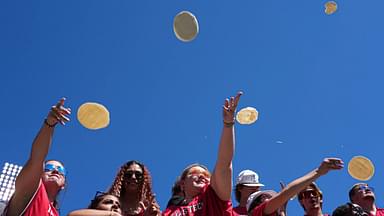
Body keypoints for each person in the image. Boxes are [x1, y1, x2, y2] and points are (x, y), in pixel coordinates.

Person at [163, 91, 243, 216]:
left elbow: (224, 163)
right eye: (194, 173)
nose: (202, 176)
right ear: (182, 184)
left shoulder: (213, 196)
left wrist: (228, 124)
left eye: (206, 175)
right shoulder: (169, 212)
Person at [2, 98, 70, 216]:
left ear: (64, 184)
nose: (55, 171)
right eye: (48, 167)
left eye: (60, 170)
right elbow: (37, 158)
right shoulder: (32, 191)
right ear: (40, 172)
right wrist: (50, 123)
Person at [246, 158, 344, 216]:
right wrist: (318, 172)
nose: (272, 200)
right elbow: (286, 193)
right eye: (263, 199)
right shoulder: (258, 213)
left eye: (314, 193)